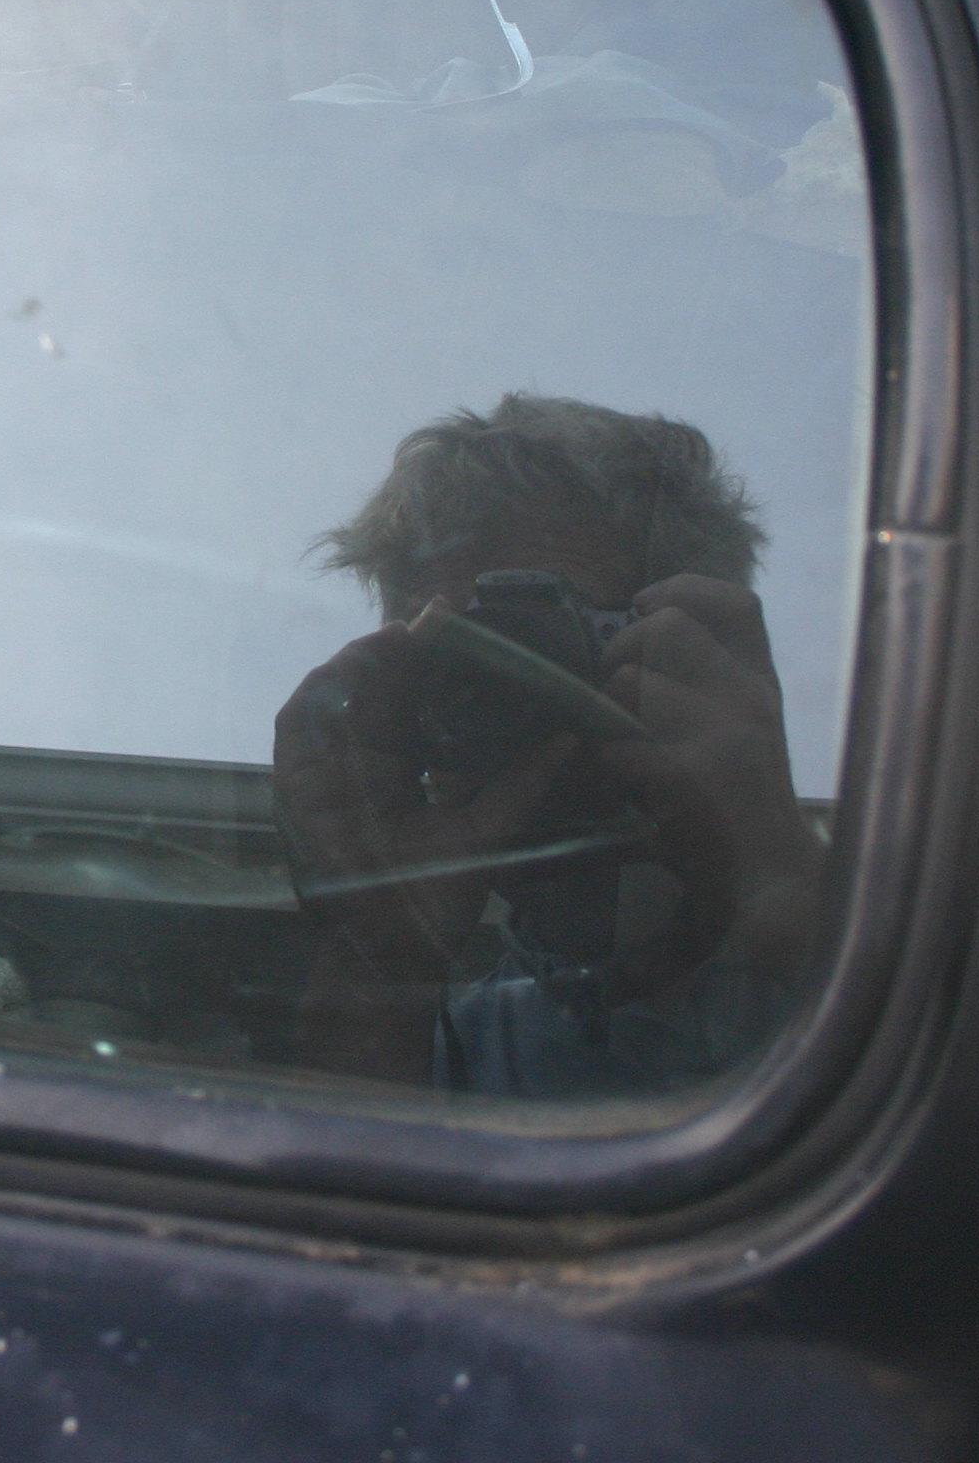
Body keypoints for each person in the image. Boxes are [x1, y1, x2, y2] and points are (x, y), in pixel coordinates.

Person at [272, 393, 825, 1097]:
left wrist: (778, 877)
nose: (501, 691)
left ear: (691, 649)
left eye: (538, 645)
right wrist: (378, 958)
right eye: (453, 662)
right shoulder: (438, 1042)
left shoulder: (881, 944)